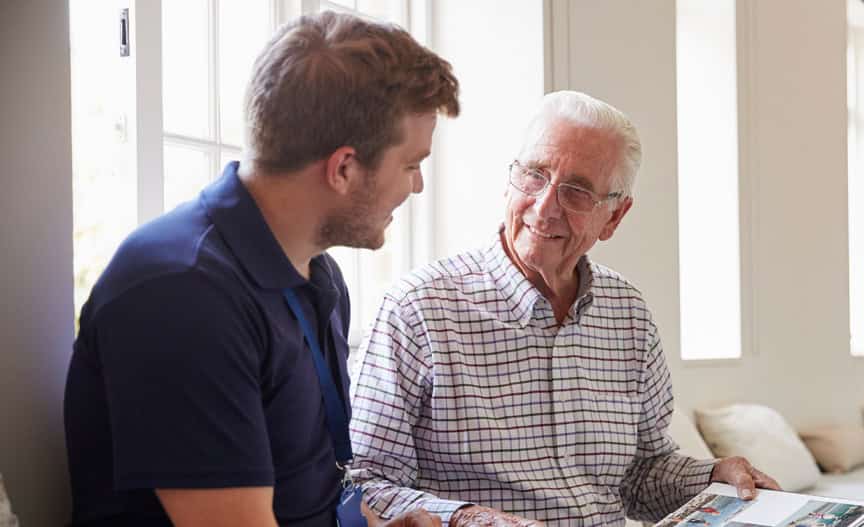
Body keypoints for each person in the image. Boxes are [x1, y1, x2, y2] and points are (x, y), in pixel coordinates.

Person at [63, 11, 459, 526]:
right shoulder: (180, 294)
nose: (417, 186)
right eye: (411, 164)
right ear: (343, 168)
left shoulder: (319, 278)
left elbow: (302, 499)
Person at [348, 91, 779, 527]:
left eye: (576, 191)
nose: (545, 206)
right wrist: (467, 519)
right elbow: (364, 485)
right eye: (535, 174)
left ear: (614, 217)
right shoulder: (417, 309)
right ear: (509, 179)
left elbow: (641, 474)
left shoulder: (627, 313)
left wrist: (712, 476)